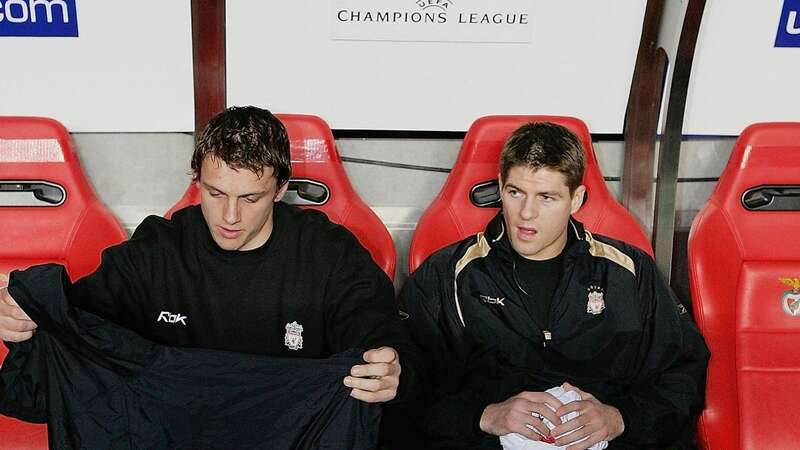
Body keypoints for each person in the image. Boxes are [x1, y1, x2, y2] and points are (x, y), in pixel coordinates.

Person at [0, 105, 417, 405]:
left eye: (251, 198)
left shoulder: (329, 254)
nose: (230, 216)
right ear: (195, 179)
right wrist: (27, 320)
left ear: (281, 188)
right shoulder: (157, 251)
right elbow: (78, 324)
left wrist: (392, 366)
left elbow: (377, 327)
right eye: (216, 194)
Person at [398, 122, 709, 449]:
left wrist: (620, 419)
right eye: (515, 192)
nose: (526, 213)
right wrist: (484, 416)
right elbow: (405, 391)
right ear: (500, 186)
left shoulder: (629, 272)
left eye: (547, 197)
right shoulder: (448, 275)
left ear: (576, 199)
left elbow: (683, 374)